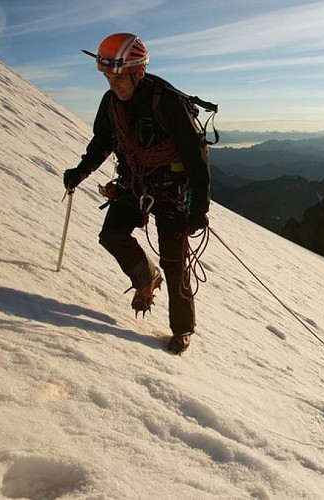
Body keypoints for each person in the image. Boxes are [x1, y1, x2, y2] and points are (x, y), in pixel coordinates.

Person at [63, 33, 211, 355]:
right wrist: (80, 171)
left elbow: (196, 158)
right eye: (107, 78)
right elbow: (102, 142)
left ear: (137, 72)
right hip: (136, 183)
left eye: (117, 78)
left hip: (172, 190)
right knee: (112, 234)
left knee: (174, 263)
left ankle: (182, 329)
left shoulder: (168, 103)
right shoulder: (111, 104)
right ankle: (146, 276)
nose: (113, 85)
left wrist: (199, 208)